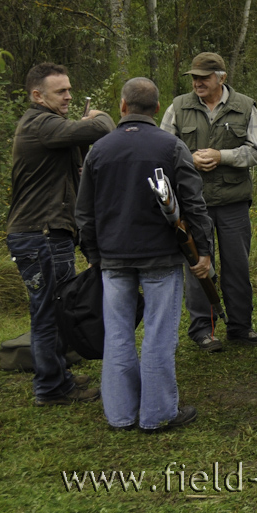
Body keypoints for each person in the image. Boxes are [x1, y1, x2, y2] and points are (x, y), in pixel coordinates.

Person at [76, 78, 213, 432]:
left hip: (113, 258)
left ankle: (120, 415)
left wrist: (93, 254)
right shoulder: (172, 146)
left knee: (117, 335)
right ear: (157, 108)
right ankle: (158, 414)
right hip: (161, 257)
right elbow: (193, 203)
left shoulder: (99, 149)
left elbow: (84, 212)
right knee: (159, 336)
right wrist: (203, 251)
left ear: (122, 106)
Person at [6, 63, 114, 406]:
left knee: (53, 307)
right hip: (41, 235)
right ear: (38, 96)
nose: (68, 96)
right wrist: (96, 116)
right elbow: (103, 128)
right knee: (50, 311)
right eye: (61, 91)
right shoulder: (41, 124)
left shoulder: (47, 126)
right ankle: (52, 388)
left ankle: (56, 375)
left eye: (69, 90)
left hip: (44, 233)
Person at [160, 52, 257, 351]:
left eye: (203, 78)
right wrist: (188, 159)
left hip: (233, 203)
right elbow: (162, 149)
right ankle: (202, 331)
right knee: (198, 267)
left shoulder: (245, 107)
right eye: (194, 77)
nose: (197, 83)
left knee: (237, 267)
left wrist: (223, 156)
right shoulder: (178, 107)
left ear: (221, 78)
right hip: (193, 204)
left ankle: (240, 327)